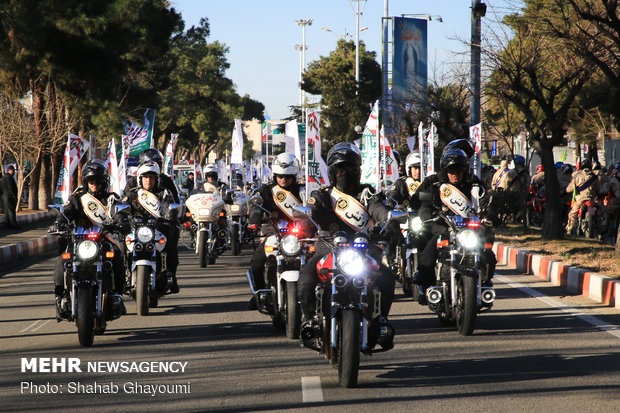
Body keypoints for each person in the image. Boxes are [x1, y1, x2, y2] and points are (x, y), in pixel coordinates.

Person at [298, 142, 395, 349]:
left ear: (357, 170)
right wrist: (308, 217)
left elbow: (377, 208)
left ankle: (381, 321)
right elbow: (311, 211)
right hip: (327, 247)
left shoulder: (367, 193)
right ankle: (309, 320)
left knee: (386, 277)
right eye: (340, 169)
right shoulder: (322, 195)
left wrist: (386, 218)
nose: (344, 173)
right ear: (332, 172)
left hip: (363, 248)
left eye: (349, 168)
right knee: (306, 278)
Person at [413, 148, 497, 303]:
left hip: (469, 231)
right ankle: (427, 289)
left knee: (488, 254)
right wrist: (428, 215)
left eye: (458, 170)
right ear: (445, 170)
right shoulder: (436, 185)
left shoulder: (474, 184)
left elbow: (487, 202)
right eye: (451, 170)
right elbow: (424, 204)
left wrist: (488, 218)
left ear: (464, 169)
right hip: (444, 229)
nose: (455, 174)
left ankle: (484, 283)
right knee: (427, 256)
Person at [49, 160, 129, 320]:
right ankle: (60, 297)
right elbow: (67, 211)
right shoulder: (77, 198)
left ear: (104, 182)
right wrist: (59, 221)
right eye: (91, 181)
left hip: (103, 241)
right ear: (86, 182)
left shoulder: (111, 199)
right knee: (62, 262)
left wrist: (122, 221)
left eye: (98, 181)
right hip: (79, 242)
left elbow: (119, 212)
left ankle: (118, 295)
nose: (94, 184)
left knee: (118, 259)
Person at [247, 153, 304, 309]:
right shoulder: (266, 191)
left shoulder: (304, 191)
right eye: (279, 176)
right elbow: (256, 207)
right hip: (274, 233)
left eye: (287, 176)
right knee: (257, 262)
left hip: (300, 236)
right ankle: (259, 293)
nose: (283, 179)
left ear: (294, 175)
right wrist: (254, 219)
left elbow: (315, 208)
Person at [124, 161, 180, 293]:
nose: (149, 180)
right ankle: (124, 277)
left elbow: (169, 207)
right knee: (121, 250)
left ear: (156, 179)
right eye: (146, 177)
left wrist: (170, 217)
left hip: (158, 230)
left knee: (171, 250)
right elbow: (123, 207)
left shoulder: (164, 194)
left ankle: (171, 276)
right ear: (140, 179)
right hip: (136, 231)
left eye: (152, 177)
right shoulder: (133, 194)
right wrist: (122, 218)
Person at [565, 159, 600, 234]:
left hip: (580, 199)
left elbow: (569, 188)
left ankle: (569, 229)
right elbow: (598, 188)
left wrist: (567, 190)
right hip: (591, 199)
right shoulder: (594, 176)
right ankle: (598, 230)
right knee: (595, 214)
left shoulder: (578, 176)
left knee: (572, 214)